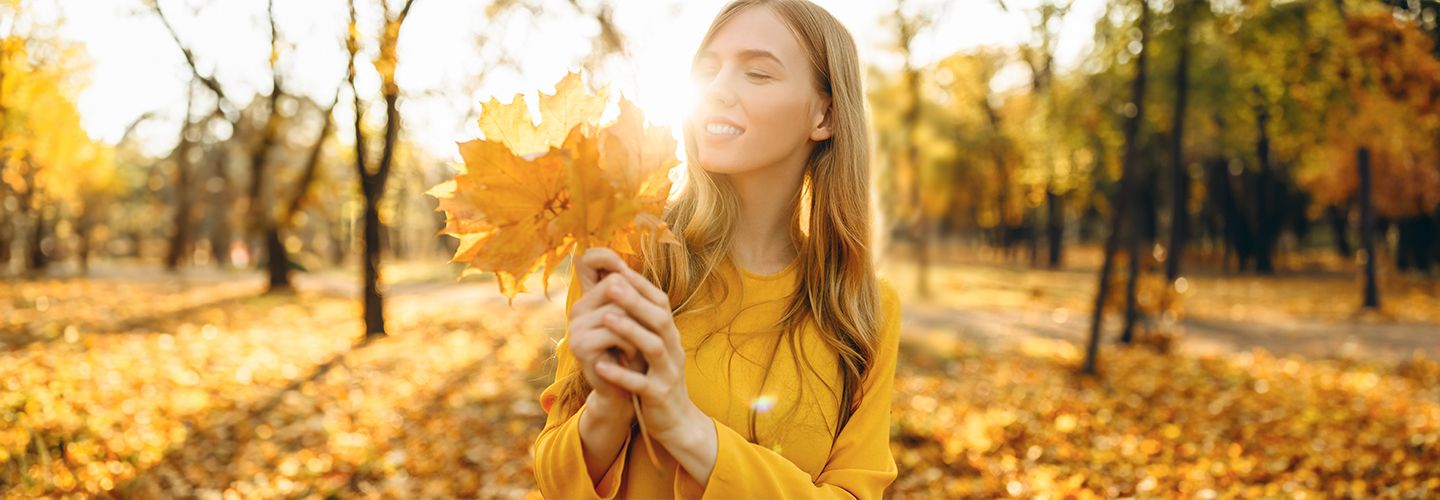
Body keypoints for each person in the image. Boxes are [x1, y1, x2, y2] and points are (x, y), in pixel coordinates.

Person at [532, 0, 901, 497]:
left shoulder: (864, 308)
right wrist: (611, 405)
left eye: (757, 73)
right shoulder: (628, 254)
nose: (717, 90)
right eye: (708, 69)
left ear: (825, 115)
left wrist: (687, 428)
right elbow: (552, 478)